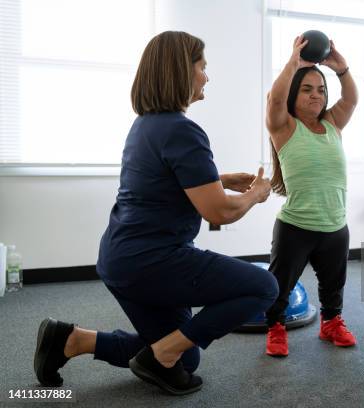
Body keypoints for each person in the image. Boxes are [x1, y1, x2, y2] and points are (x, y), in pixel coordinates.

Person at [33, 31, 279, 395]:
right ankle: (160, 352)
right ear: (182, 70)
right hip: (155, 260)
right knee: (264, 287)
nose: (206, 77)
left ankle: (72, 340)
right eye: (202, 67)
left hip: (120, 259)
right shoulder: (183, 130)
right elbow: (221, 212)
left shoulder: (146, 125)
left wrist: (218, 178)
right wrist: (258, 194)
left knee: (185, 357)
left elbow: (159, 181)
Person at [264, 35, 358, 357]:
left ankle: (331, 322)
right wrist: (294, 63)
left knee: (334, 284)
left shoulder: (332, 124)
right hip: (296, 227)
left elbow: (351, 99)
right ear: (294, 94)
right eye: (307, 89)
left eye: (321, 90)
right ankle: (275, 327)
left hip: (335, 225)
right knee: (280, 286)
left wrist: (342, 69)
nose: (316, 95)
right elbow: (274, 101)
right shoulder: (285, 127)